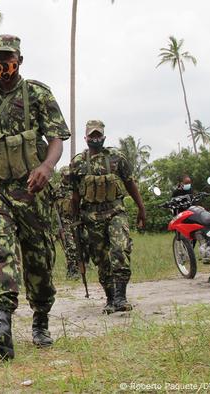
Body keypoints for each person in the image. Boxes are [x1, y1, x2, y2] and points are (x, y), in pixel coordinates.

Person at [0, 34, 70, 361]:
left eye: (8, 57)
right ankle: (2, 328)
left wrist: (47, 166)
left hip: (32, 189)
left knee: (38, 260)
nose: (2, 64)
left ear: (19, 60)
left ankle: (40, 319)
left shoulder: (38, 94)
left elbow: (56, 137)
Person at [70, 120, 145, 315]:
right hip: (91, 217)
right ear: (85, 137)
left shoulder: (116, 158)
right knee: (101, 258)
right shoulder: (78, 162)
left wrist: (141, 209)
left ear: (103, 136)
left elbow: (130, 184)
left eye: (98, 135)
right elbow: (75, 194)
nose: (95, 139)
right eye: (92, 135)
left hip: (115, 212)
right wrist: (74, 219)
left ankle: (121, 297)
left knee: (120, 250)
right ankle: (111, 298)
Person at [52, 167, 80, 279]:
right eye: (66, 176)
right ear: (62, 176)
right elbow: (52, 205)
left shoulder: (75, 187)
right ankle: (72, 270)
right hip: (64, 222)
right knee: (70, 246)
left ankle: (82, 266)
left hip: (77, 220)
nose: (68, 178)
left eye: (69, 176)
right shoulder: (56, 189)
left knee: (82, 244)